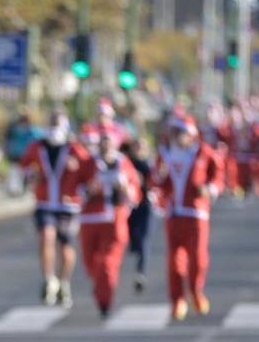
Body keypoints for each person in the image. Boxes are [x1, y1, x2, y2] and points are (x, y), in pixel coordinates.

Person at [18, 109, 93, 307]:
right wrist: (30, 175)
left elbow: (89, 172)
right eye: (51, 124)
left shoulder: (74, 148)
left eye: (57, 124)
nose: (54, 129)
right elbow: (25, 166)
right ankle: (49, 280)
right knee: (46, 237)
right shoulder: (37, 146)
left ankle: (64, 282)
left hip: (68, 205)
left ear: (65, 126)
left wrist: (77, 168)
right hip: (45, 203)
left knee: (66, 247)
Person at [154, 116, 221, 321]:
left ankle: (195, 291)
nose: (176, 137)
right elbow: (156, 182)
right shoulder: (164, 154)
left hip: (196, 214)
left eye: (180, 132)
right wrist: (158, 176)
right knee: (174, 261)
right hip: (174, 214)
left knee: (198, 259)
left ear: (190, 134)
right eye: (174, 132)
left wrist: (210, 189)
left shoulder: (203, 152)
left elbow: (218, 176)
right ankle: (177, 300)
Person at [79, 132, 140, 316]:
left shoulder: (124, 164)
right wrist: (90, 189)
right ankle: (100, 286)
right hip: (90, 219)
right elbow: (74, 189)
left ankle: (105, 301)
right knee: (91, 264)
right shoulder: (88, 163)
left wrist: (125, 188)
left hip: (115, 219)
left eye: (109, 143)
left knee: (107, 263)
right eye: (102, 143)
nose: (106, 147)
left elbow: (135, 195)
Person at [123, 137, 155, 293]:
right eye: (136, 147)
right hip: (129, 207)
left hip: (145, 206)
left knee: (144, 239)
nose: (138, 150)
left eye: (142, 147)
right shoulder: (126, 164)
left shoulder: (149, 166)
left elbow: (157, 183)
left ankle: (141, 273)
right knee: (132, 238)